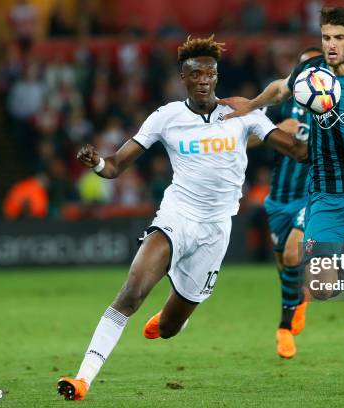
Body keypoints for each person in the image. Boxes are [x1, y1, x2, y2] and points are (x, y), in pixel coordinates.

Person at [56, 35, 307, 401]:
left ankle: (173, 314)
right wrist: (96, 162)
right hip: (177, 216)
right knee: (131, 293)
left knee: (170, 328)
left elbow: (297, 151)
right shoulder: (166, 116)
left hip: (216, 230)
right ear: (183, 78)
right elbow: (114, 167)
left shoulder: (243, 113)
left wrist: (333, 137)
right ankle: (82, 379)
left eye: (210, 73)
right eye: (196, 73)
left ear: (217, 77)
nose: (204, 79)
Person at [220, 7, 344, 394]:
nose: (331, 45)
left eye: (339, 38)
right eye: (326, 37)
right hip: (326, 196)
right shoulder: (312, 73)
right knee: (322, 287)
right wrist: (251, 105)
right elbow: (281, 88)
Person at [261, 47, 321, 359]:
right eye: (303, 67)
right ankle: (301, 296)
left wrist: (303, 138)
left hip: (311, 193)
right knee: (284, 265)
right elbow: (249, 137)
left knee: (294, 251)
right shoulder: (282, 103)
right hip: (278, 199)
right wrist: (272, 133)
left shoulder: (332, 106)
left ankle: (284, 327)